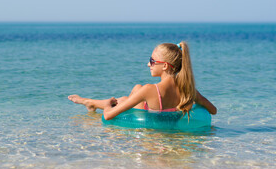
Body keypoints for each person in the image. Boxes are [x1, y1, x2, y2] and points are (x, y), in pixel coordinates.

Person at [68, 42, 217, 120]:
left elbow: (107, 116)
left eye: (152, 61)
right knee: (134, 91)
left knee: (134, 92)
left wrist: (107, 107)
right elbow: (213, 110)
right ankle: (90, 102)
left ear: (164, 66)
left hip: (147, 125)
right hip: (164, 123)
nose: (148, 64)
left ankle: (92, 102)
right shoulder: (189, 90)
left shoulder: (150, 90)